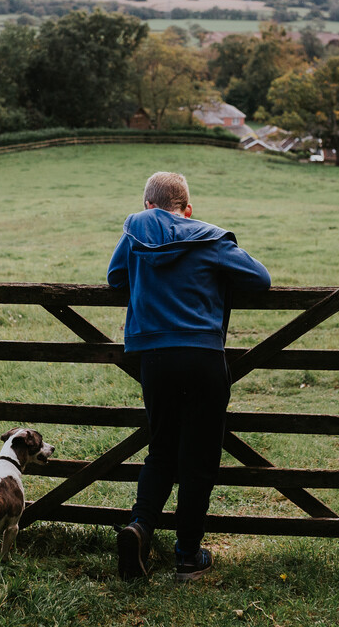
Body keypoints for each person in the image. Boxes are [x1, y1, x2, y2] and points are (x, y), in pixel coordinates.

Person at [107, 171, 271, 582]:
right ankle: (187, 556)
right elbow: (261, 280)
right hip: (201, 356)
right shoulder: (210, 239)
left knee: (161, 450)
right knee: (198, 458)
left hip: (154, 358)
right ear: (188, 208)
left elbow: (115, 279)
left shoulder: (135, 235)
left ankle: (139, 528)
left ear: (148, 205)